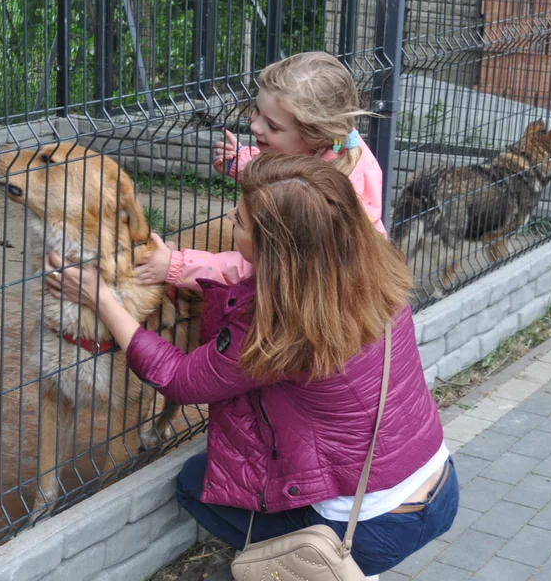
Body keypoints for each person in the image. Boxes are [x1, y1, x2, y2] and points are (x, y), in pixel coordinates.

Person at [43, 153, 457, 577]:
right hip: (439, 486)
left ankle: (302, 569)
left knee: (193, 484)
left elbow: (179, 379)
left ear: (273, 248)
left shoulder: (280, 319)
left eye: (239, 221)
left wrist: (102, 299)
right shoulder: (374, 268)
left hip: (366, 531)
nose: (230, 218)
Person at [135, 51, 385, 289]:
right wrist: (245, 162)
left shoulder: (312, 206)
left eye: (273, 126)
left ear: (315, 137)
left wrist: (175, 265)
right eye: (256, 110)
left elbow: (253, 271)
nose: (255, 125)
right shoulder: (342, 146)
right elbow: (290, 167)